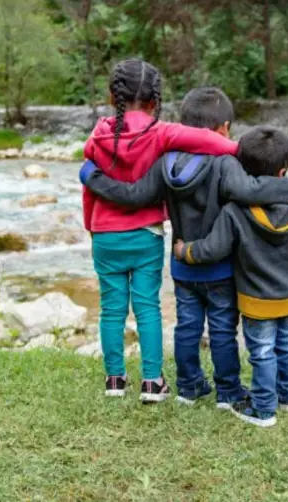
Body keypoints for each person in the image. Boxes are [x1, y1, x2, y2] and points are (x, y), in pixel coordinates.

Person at [80, 87, 288, 409]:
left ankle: (188, 387)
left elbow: (135, 196)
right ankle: (228, 391)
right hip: (221, 266)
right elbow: (250, 191)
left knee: (187, 327)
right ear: (224, 128)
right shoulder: (226, 163)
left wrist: (93, 177)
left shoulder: (166, 162)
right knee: (222, 330)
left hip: (182, 264)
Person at [82, 59, 240, 404]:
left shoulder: (98, 136)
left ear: (112, 97)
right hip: (146, 234)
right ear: (155, 100)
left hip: (104, 233)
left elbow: (89, 189)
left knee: (111, 308)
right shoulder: (161, 132)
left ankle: (114, 379)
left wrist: (91, 227)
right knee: (147, 307)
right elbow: (211, 141)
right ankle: (152, 382)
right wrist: (245, 151)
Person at [173, 126, 288, 428]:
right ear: (283, 171)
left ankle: (263, 409)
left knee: (262, 352)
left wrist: (186, 251)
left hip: (255, 300)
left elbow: (214, 248)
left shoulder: (235, 211)